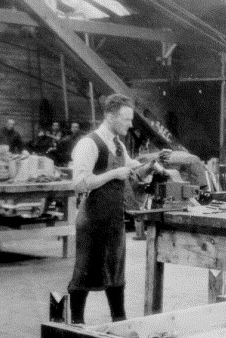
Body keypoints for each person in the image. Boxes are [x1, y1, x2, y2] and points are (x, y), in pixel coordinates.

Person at [67, 94, 168, 324]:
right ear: (110, 117)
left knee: (115, 273)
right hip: (92, 221)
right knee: (84, 272)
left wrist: (153, 164)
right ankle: (76, 323)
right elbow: (80, 183)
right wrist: (113, 173)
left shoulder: (119, 145)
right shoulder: (89, 143)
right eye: (126, 119)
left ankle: (120, 321)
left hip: (113, 220)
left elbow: (133, 170)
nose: (130, 124)